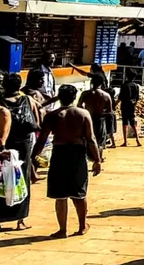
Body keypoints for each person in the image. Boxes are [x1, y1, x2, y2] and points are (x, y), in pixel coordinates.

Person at [32, 84, 102, 238]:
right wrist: (97, 159)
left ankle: (62, 229)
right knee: (79, 192)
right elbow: (91, 139)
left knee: (60, 194)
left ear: (59, 96)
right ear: (74, 97)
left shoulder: (52, 115)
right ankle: (82, 226)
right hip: (77, 154)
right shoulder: (83, 114)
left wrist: (33, 157)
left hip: (59, 153)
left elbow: (42, 139)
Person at [0, 73, 39, 233]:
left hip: (1, 147)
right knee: (21, 178)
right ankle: (21, 220)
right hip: (22, 145)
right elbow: (36, 121)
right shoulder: (28, 99)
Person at [80, 72, 116, 150]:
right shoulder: (106, 95)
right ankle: (99, 157)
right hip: (100, 120)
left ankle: (90, 157)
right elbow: (110, 111)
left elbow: (79, 106)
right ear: (102, 82)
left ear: (92, 82)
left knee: (88, 138)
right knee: (100, 141)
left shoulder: (85, 94)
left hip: (88, 118)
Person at [119, 76, 142, 147]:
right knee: (132, 122)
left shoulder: (124, 86)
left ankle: (125, 141)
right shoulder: (136, 86)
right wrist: (134, 105)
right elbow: (137, 98)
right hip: (132, 106)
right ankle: (137, 140)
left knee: (124, 123)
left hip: (125, 105)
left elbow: (120, 97)